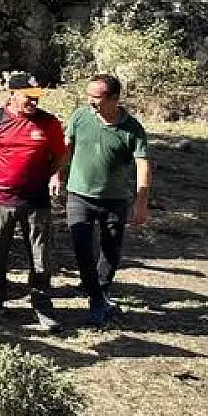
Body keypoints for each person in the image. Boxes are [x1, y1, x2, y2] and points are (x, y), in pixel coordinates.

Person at [0, 74, 67, 330]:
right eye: (29, 97)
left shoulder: (48, 123)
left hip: (37, 202)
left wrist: (47, 175)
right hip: (0, 200)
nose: (34, 102)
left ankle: (42, 305)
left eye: (37, 97)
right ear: (12, 94)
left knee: (40, 257)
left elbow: (60, 155)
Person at [60, 73, 151, 328]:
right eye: (88, 95)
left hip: (114, 199)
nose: (91, 101)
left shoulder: (131, 128)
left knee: (110, 249)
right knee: (81, 247)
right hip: (78, 194)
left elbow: (143, 166)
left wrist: (141, 202)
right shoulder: (80, 116)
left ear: (114, 99)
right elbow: (67, 148)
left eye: (97, 97)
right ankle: (96, 295)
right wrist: (56, 175)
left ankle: (99, 295)